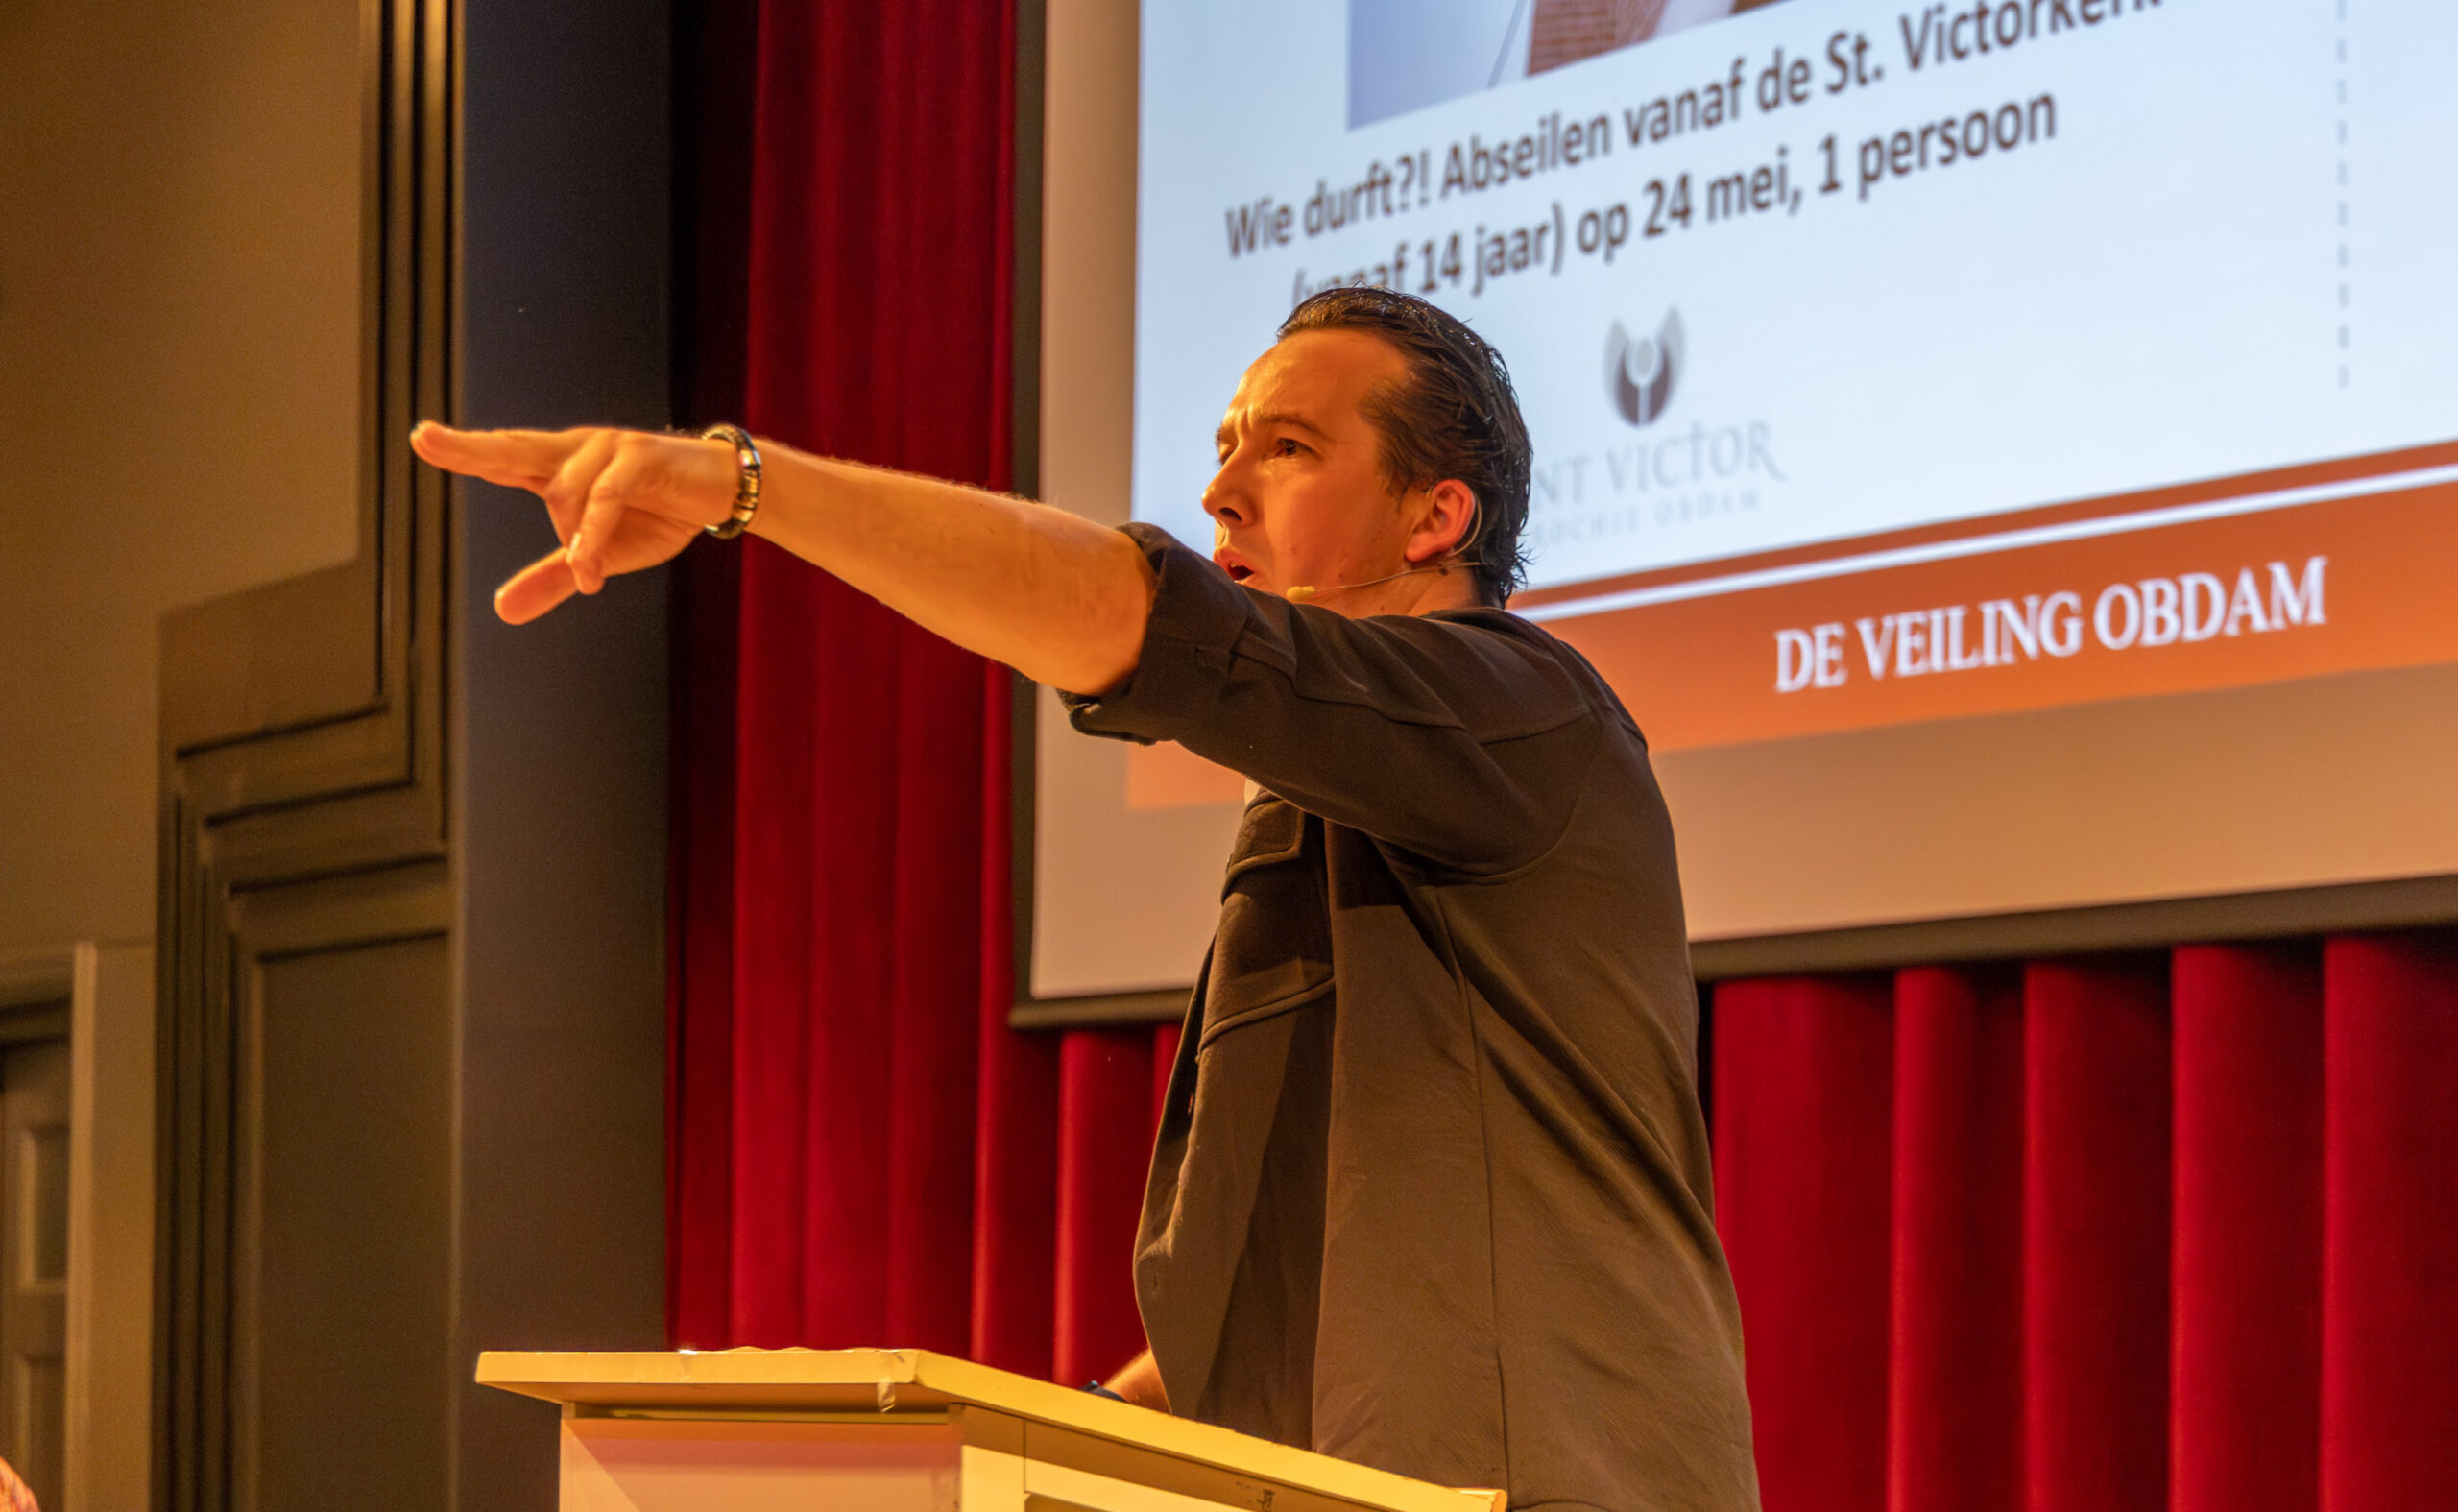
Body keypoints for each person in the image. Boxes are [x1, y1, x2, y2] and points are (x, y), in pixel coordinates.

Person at [414, 286, 1759, 1512]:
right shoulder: (1330, 801)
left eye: (1288, 448)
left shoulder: (1528, 712)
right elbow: (1299, 1277)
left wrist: (742, 484)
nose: (1222, 491)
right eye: (1225, 447)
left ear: (1436, 517)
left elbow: (1144, 617)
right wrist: (1043, 1433)